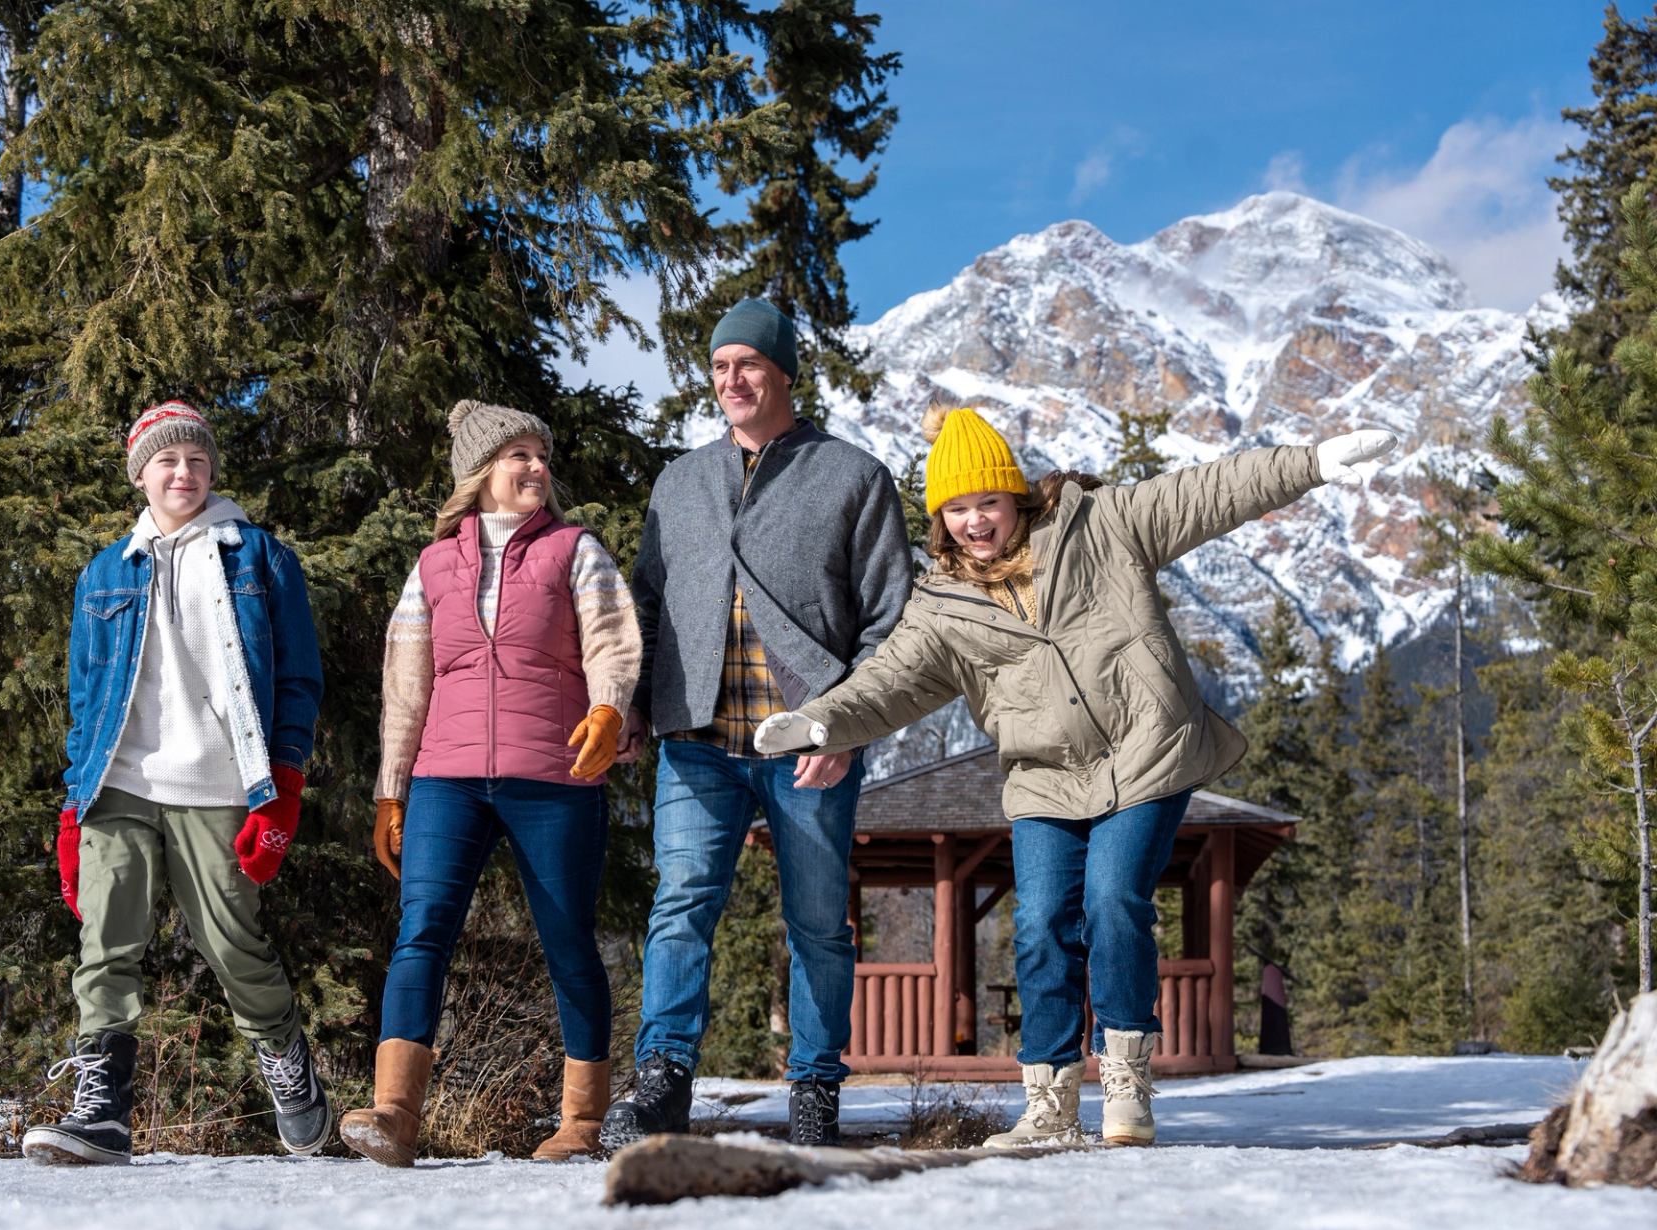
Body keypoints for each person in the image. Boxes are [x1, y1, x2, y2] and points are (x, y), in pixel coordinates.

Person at [755, 401, 1395, 1147]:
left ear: (1015, 496)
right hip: (1045, 777)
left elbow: (1211, 491)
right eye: (956, 509)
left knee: (1114, 897)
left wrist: (1312, 462)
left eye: (987, 502)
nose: (975, 522)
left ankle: (1125, 1079)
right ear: (939, 518)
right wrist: (823, 720)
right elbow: (890, 682)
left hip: (1146, 751)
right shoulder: (941, 606)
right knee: (1038, 924)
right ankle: (1051, 1103)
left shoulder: (1102, 526)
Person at [599, 298, 916, 1150]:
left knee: (817, 921)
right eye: (719, 368)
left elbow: (890, 622)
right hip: (696, 743)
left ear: (782, 373)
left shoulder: (853, 476)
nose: (732, 381)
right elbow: (650, 606)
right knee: (680, 907)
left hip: (808, 745)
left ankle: (814, 1088)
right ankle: (662, 1079)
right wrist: (635, 705)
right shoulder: (680, 482)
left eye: (748, 364)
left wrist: (849, 727)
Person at [25, 400, 329, 1166]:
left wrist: (284, 787)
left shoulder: (259, 556)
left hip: (219, 780)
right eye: (166, 461)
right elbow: (87, 698)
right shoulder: (105, 571)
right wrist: (73, 808)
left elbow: (296, 680)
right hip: (119, 782)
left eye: (195, 460)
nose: (183, 473)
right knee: (106, 942)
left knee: (233, 944)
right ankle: (102, 1110)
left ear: (211, 470)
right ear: (141, 475)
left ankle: (287, 1064)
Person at [340, 401, 641, 1166]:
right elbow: (406, 686)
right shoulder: (433, 564)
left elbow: (612, 642)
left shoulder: (577, 551)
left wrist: (608, 710)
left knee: (568, 936)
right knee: (423, 931)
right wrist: (391, 788)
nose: (537, 467)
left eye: (542, 455)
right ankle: (395, 1113)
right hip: (447, 777)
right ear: (481, 474)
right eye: (519, 456)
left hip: (557, 773)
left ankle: (581, 1122)